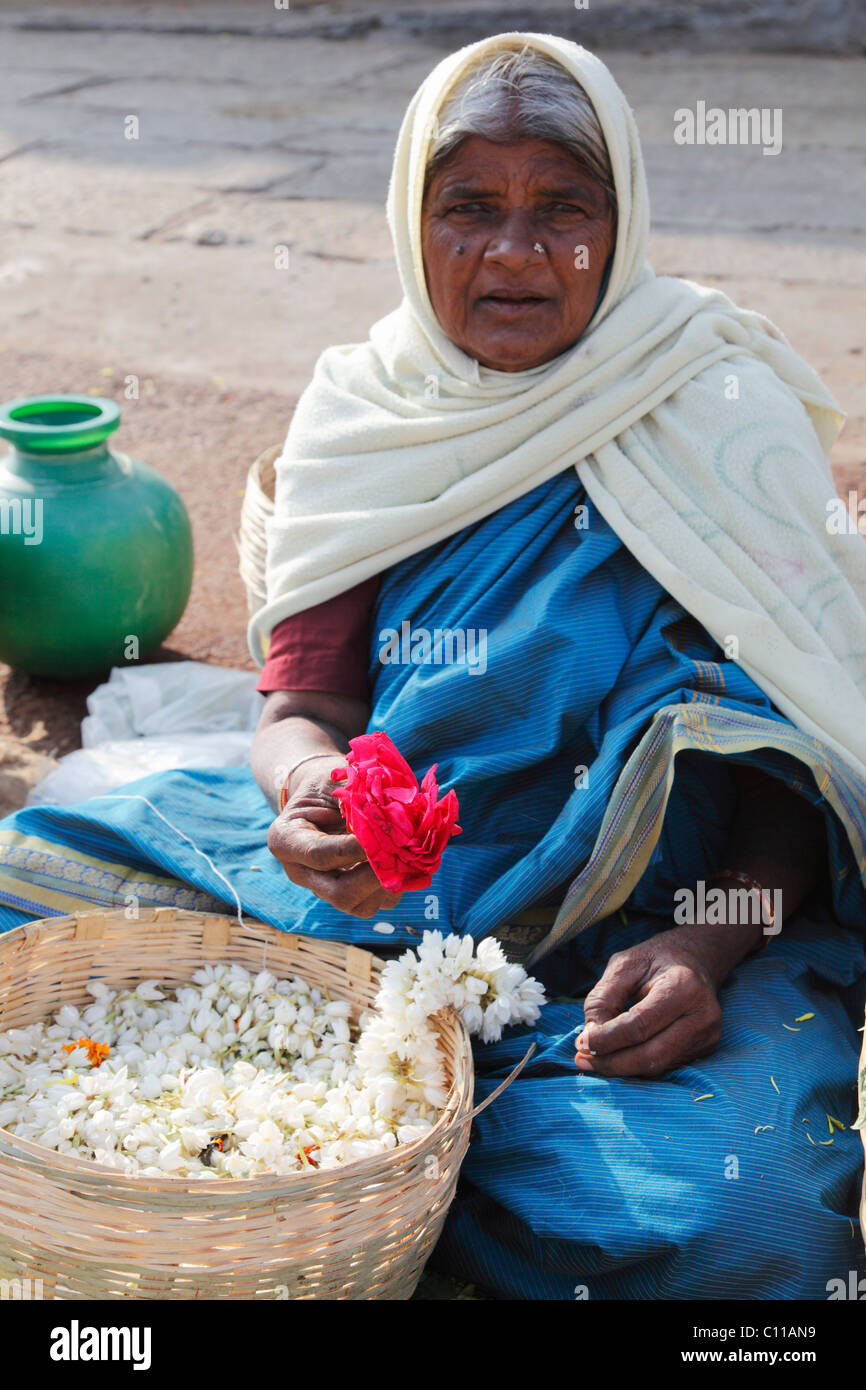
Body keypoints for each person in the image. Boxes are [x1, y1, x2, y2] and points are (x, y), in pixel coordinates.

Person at [2, 32, 865, 1299]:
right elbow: (303, 703)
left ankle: (417, 1181)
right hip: (379, 912)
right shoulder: (369, 415)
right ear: (413, 222)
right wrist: (305, 795)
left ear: (620, 224)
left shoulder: (716, 409)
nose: (513, 252)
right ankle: (403, 1177)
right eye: (469, 207)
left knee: (751, 1232)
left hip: (658, 946)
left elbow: (792, 748)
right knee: (32, 903)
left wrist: (703, 948)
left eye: (561, 209)